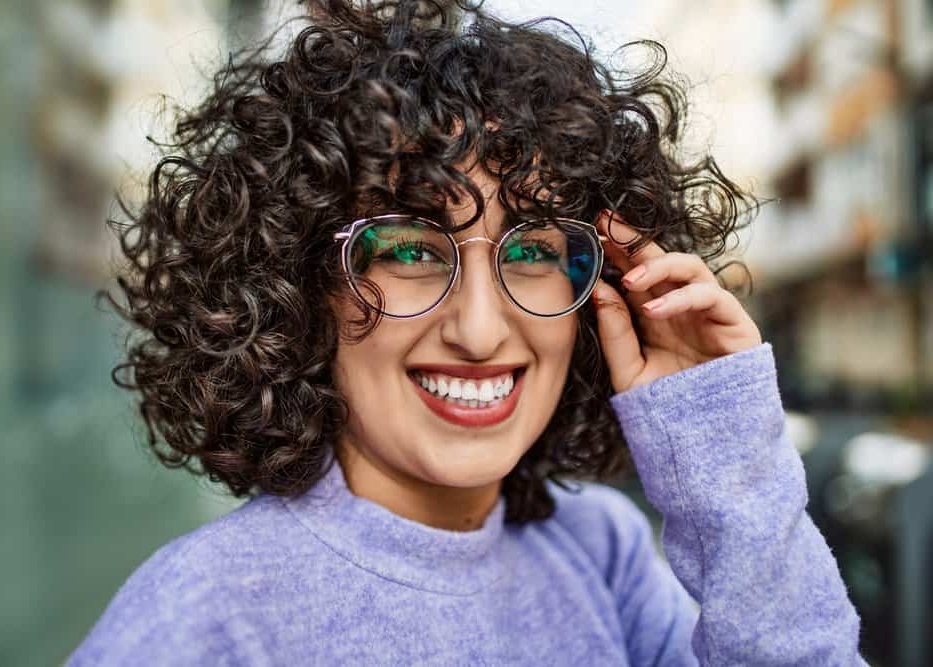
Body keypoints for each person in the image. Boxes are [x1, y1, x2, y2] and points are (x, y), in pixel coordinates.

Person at [68, 0, 866, 664]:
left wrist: (719, 456)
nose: (482, 330)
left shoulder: (602, 552)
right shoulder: (202, 620)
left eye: (533, 250)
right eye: (411, 248)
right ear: (297, 285)